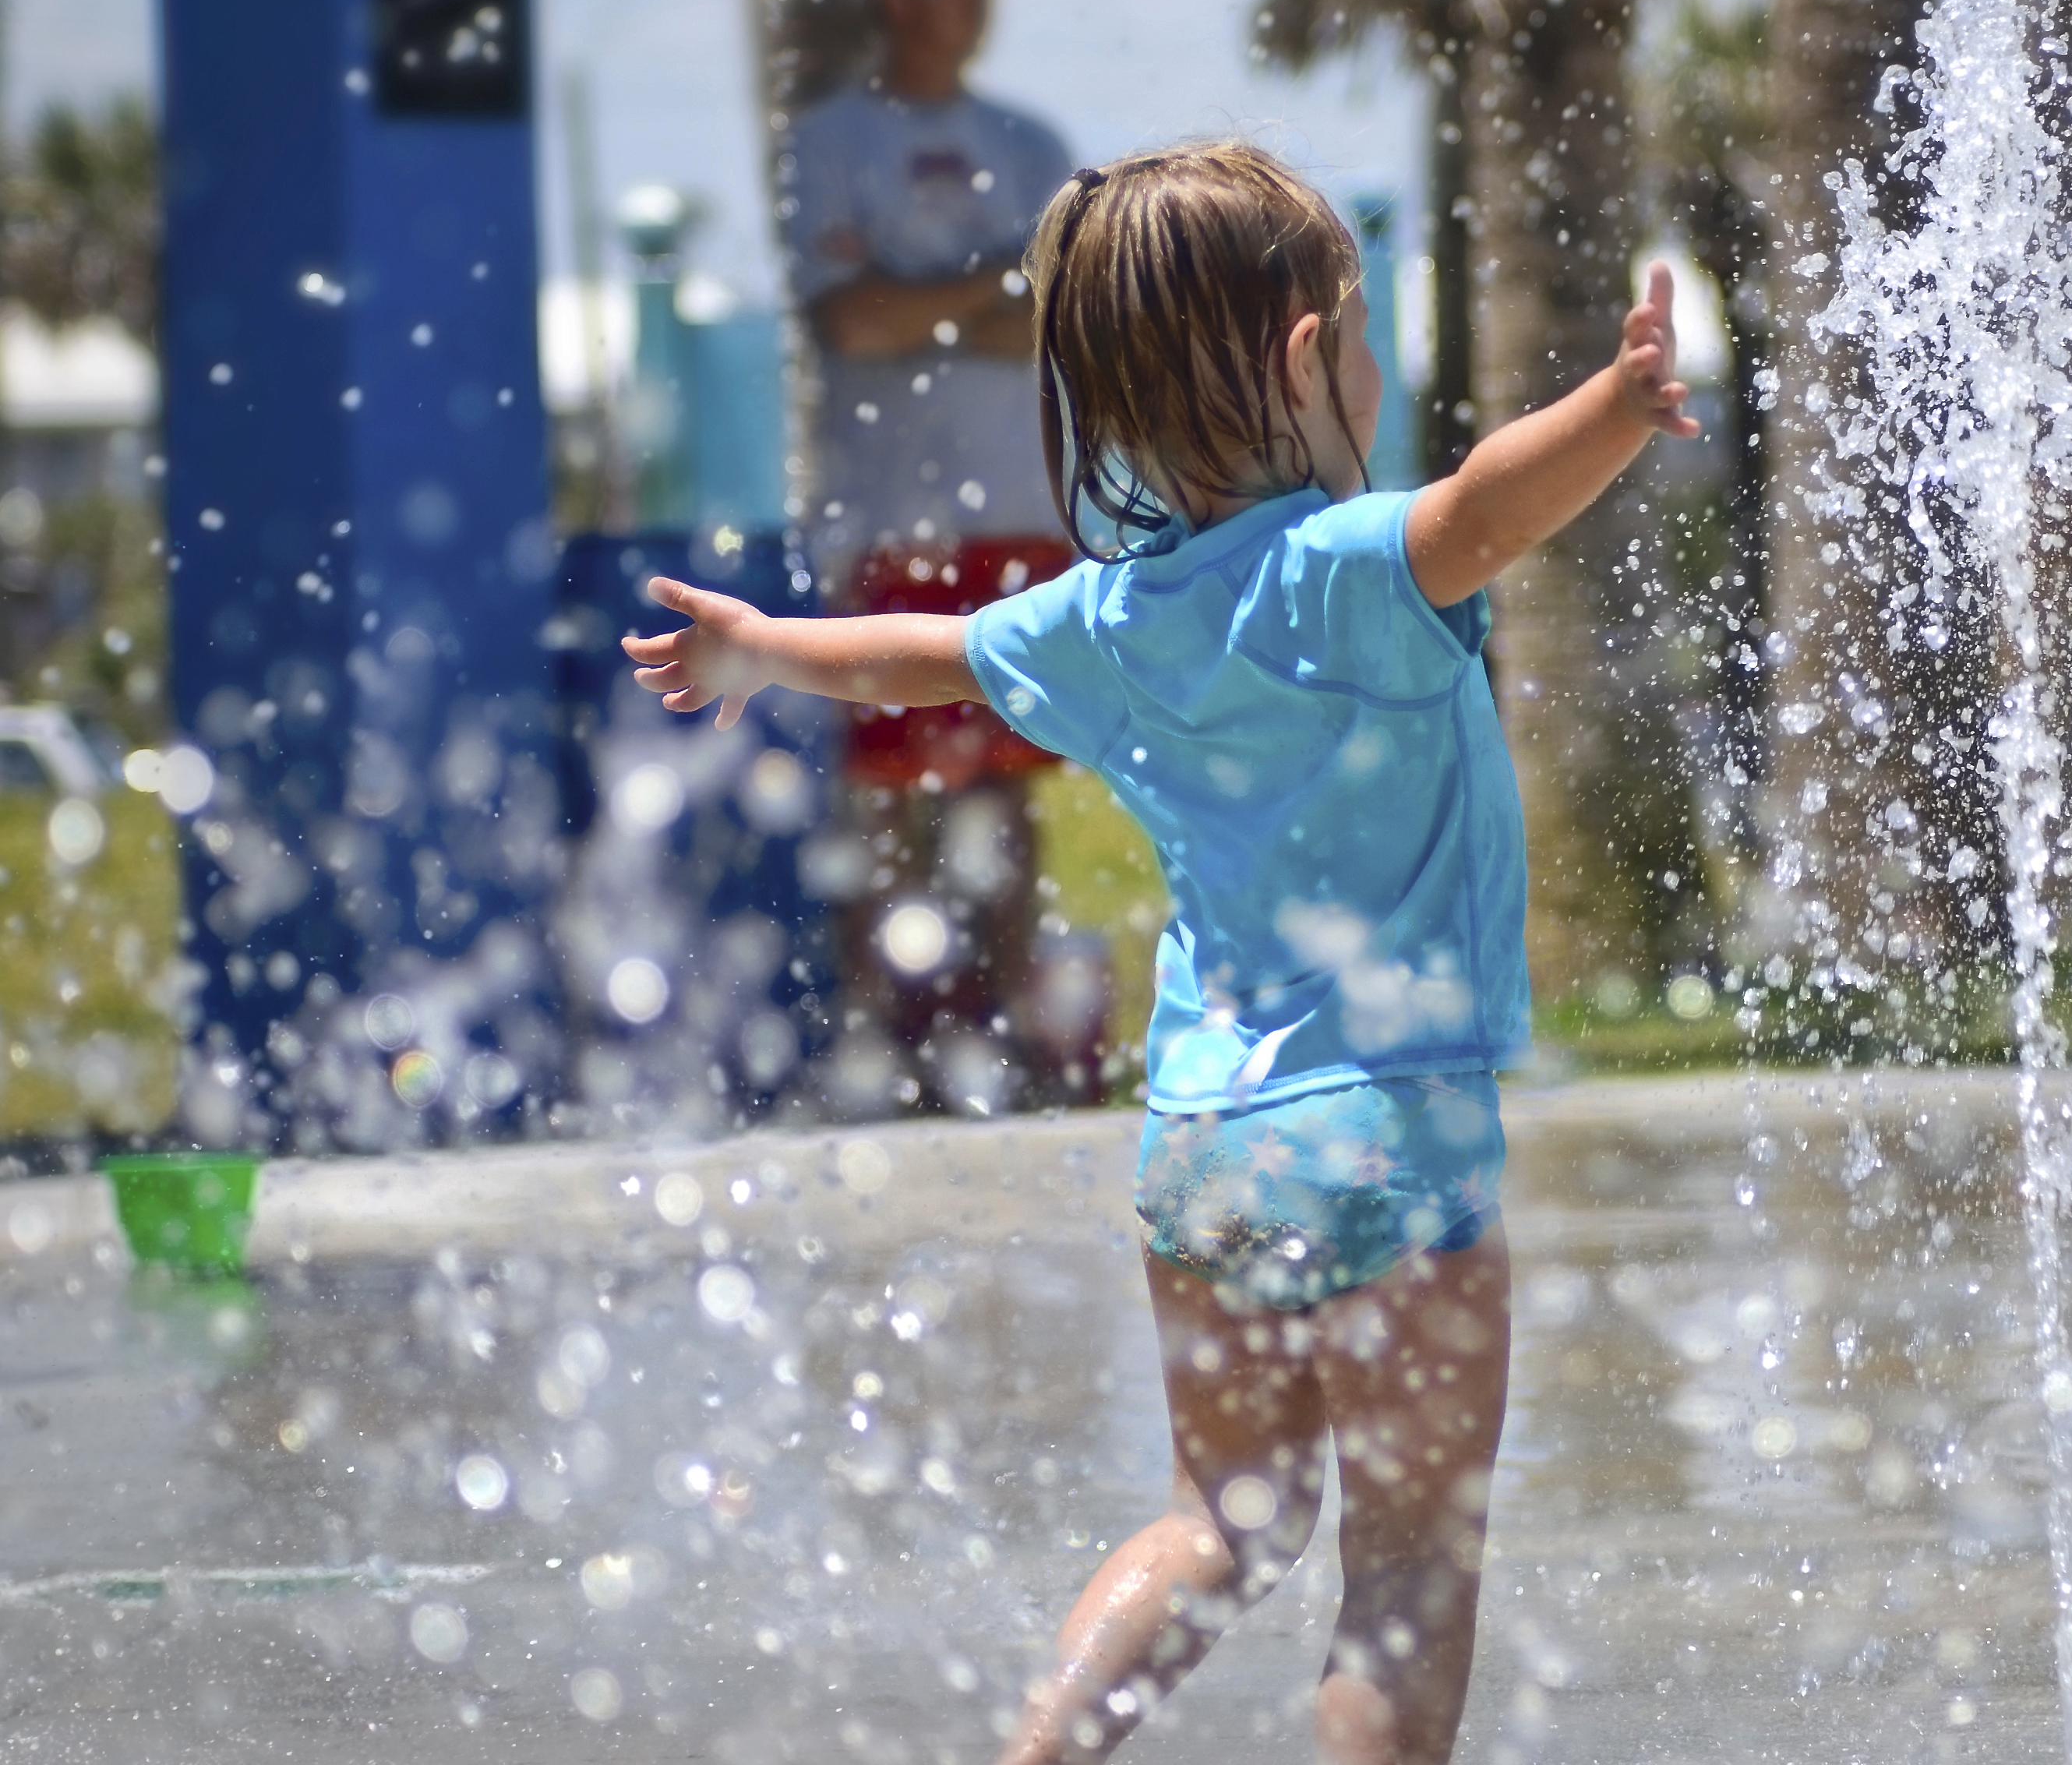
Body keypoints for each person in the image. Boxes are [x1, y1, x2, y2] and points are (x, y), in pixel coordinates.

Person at [624, 141, 1699, 1764]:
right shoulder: (1349, 572)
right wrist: (1617, 409)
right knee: (1402, 1562)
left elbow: (928, 660)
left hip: (1200, 1152)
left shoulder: (1104, 619)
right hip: (1388, 1141)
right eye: (1355, 331)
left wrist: (759, 649)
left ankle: (1045, 1748)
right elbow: (1490, 502)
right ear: (1306, 358)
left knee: (1221, 1520)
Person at [782, 0, 1078, 1109]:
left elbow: (1054, 321)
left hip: (1016, 510)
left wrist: (927, 302)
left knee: (1003, 792)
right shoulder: (834, 139)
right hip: (889, 519)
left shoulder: (1031, 137)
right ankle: (890, 1054)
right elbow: (848, 319)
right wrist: (982, 295)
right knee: (890, 793)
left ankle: (1004, 1042)